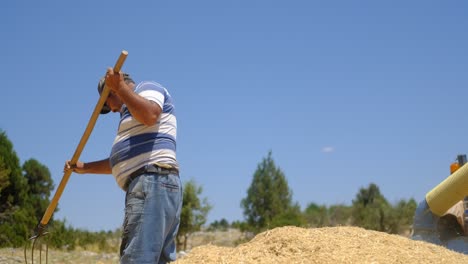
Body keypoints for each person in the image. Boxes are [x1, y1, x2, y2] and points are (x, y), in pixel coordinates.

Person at [64, 68, 182, 263]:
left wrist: (119, 86)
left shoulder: (147, 88)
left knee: (137, 258)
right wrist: (84, 168)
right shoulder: (130, 113)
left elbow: (151, 114)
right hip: (155, 184)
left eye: (107, 102)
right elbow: (120, 162)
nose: (111, 109)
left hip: (151, 182)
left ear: (113, 90)